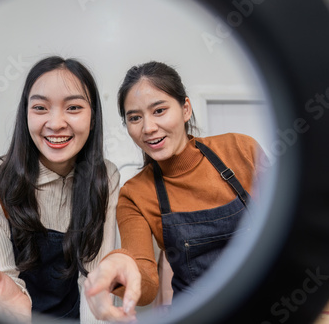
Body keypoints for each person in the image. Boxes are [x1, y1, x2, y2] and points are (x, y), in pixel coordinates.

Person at [84, 61, 265, 322]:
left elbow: (299, 230)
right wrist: (120, 268)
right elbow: (146, 283)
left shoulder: (241, 150)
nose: (148, 128)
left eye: (159, 110)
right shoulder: (135, 194)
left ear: (185, 109)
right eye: (135, 117)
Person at [0, 56, 120, 322]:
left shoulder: (105, 177)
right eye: (40, 107)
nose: (56, 123)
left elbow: (94, 282)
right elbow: (0, 285)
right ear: (25, 114)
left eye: (73, 108)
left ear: (93, 118)